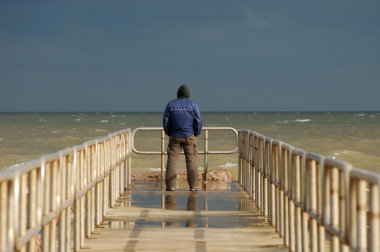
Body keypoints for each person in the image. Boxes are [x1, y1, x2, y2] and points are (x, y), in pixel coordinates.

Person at [163, 84, 202, 191]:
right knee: (191, 161)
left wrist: (169, 132)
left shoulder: (171, 104)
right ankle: (193, 186)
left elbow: (166, 121)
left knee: (172, 161)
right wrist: (196, 133)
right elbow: (198, 121)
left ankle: (171, 186)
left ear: (178, 94)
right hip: (189, 136)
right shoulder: (193, 104)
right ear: (188, 94)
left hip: (174, 136)